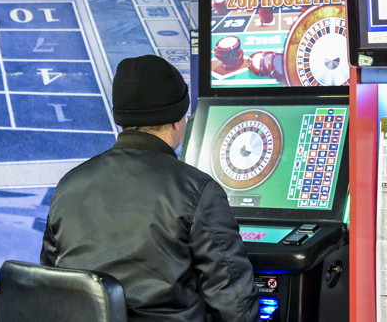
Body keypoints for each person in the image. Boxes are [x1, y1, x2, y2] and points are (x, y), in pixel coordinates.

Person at [41, 54, 259, 321]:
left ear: (120, 120)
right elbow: (232, 301)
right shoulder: (198, 190)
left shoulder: (69, 184)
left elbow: (53, 281)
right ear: (178, 121)